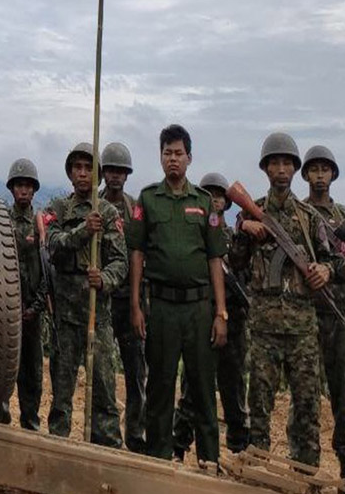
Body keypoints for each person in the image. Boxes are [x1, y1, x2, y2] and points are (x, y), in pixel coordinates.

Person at [229, 132, 337, 468]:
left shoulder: (308, 217)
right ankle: (259, 471)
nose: (280, 169)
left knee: (307, 406)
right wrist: (245, 231)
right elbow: (236, 263)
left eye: (286, 163)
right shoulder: (252, 213)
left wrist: (324, 271)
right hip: (264, 327)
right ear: (265, 169)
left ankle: (306, 473)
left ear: (294, 169)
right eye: (274, 163)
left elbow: (330, 259)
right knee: (259, 405)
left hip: (303, 327)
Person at [125, 125, 227, 466]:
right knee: (160, 387)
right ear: (160, 156)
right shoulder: (148, 199)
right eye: (167, 153)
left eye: (179, 153)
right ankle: (158, 461)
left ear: (189, 158)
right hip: (163, 308)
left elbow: (215, 259)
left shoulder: (203, 202)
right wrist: (136, 305)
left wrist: (220, 313)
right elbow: (137, 253)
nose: (173, 159)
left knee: (201, 390)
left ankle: (209, 463)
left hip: (199, 309)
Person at [44, 142, 126, 447]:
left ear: (98, 174)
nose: (82, 173)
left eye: (88, 168)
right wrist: (83, 232)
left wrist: (103, 279)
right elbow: (53, 246)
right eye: (77, 167)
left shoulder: (107, 212)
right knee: (62, 394)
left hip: (97, 317)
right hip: (65, 319)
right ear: (69, 172)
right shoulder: (58, 208)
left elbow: (121, 261)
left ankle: (106, 454)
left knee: (104, 392)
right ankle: (59, 452)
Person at [172, 172, 250, 459]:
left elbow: (246, 268)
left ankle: (239, 447)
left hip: (233, 321)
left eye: (219, 196)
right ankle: (179, 445)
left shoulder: (235, 237)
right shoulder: (194, 235)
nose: (215, 201)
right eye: (210, 195)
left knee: (233, 387)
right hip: (201, 317)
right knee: (192, 386)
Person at [301, 145, 345, 481]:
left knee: (343, 394)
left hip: (339, 315)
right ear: (306, 175)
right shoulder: (299, 213)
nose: (320, 175)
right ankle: (305, 464)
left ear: (333, 175)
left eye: (326, 169)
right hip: (307, 314)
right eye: (314, 169)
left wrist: (333, 270)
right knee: (305, 394)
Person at [0, 158, 48, 429]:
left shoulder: (41, 224)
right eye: (19, 186)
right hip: (6, 309)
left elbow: (47, 271)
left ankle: (30, 423)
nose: (23, 191)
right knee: (3, 368)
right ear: (12, 189)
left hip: (32, 312)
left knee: (32, 372)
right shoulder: (2, 223)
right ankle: (0, 418)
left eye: (28, 186)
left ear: (34, 190)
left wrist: (36, 307)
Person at [101, 141, 147, 453]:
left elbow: (142, 254)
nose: (116, 176)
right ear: (103, 173)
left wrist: (139, 304)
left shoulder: (136, 210)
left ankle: (136, 436)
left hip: (131, 299)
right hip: (102, 298)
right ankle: (103, 434)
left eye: (121, 171)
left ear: (127, 175)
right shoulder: (94, 205)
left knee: (135, 373)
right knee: (102, 373)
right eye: (111, 170)